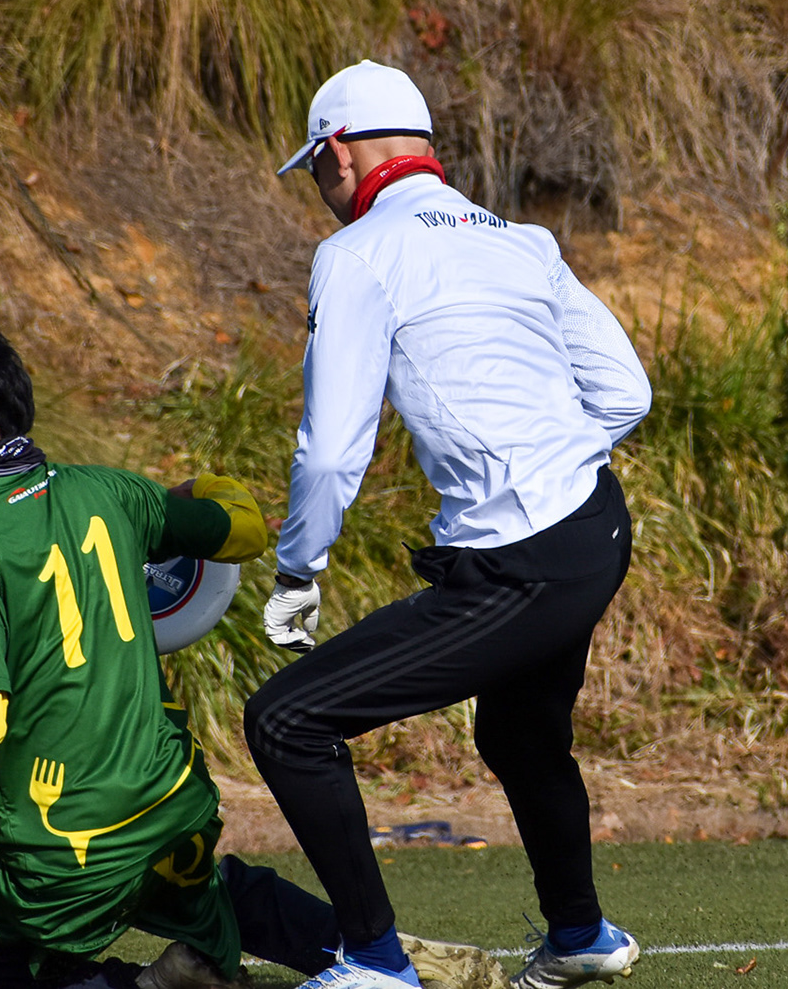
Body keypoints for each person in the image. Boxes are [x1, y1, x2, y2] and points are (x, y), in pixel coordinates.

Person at [0, 318, 347, 989]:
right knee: (195, 882)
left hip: (68, 849)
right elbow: (244, 532)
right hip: (175, 809)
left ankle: (149, 985)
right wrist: (207, 486)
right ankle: (369, 952)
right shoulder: (110, 491)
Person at [249, 61, 654, 989]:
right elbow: (626, 393)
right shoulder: (522, 240)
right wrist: (552, 463)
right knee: (519, 735)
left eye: (315, 170)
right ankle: (581, 935)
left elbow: (331, 453)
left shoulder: (357, 254)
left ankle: (375, 963)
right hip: (598, 525)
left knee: (287, 721)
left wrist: (298, 570)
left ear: (339, 154)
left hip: (527, 561)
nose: (320, 190)